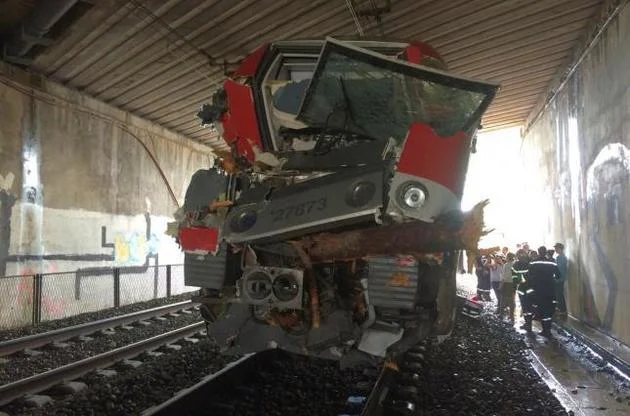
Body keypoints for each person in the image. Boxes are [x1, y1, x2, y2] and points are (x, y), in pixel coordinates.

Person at [528, 246, 561, 337]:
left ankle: (544, 330)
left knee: (541, 310)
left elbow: (529, 275)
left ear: (538, 252)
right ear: (545, 252)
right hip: (550, 289)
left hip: (538, 290)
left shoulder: (533, 262)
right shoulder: (552, 262)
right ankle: (548, 330)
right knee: (549, 309)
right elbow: (558, 275)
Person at [512, 249, 533, 332]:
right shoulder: (530, 264)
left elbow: (514, 279)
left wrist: (516, 285)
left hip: (522, 289)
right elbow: (533, 276)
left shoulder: (515, 265)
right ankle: (529, 324)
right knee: (529, 307)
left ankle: (527, 324)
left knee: (525, 307)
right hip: (530, 288)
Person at [499, 252, 516, 323]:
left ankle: (501, 314)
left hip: (506, 283)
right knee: (512, 300)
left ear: (508, 257)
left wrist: (501, 285)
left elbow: (504, 276)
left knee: (503, 299)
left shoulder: (506, 265)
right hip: (513, 284)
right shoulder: (515, 264)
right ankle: (511, 316)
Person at [554, 243, 568, 316]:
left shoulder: (560, 258)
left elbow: (560, 270)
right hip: (560, 279)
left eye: (556, 248)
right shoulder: (561, 257)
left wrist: (558, 279)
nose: (555, 249)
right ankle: (562, 309)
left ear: (560, 249)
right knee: (559, 294)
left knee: (559, 295)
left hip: (559, 279)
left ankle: (562, 310)